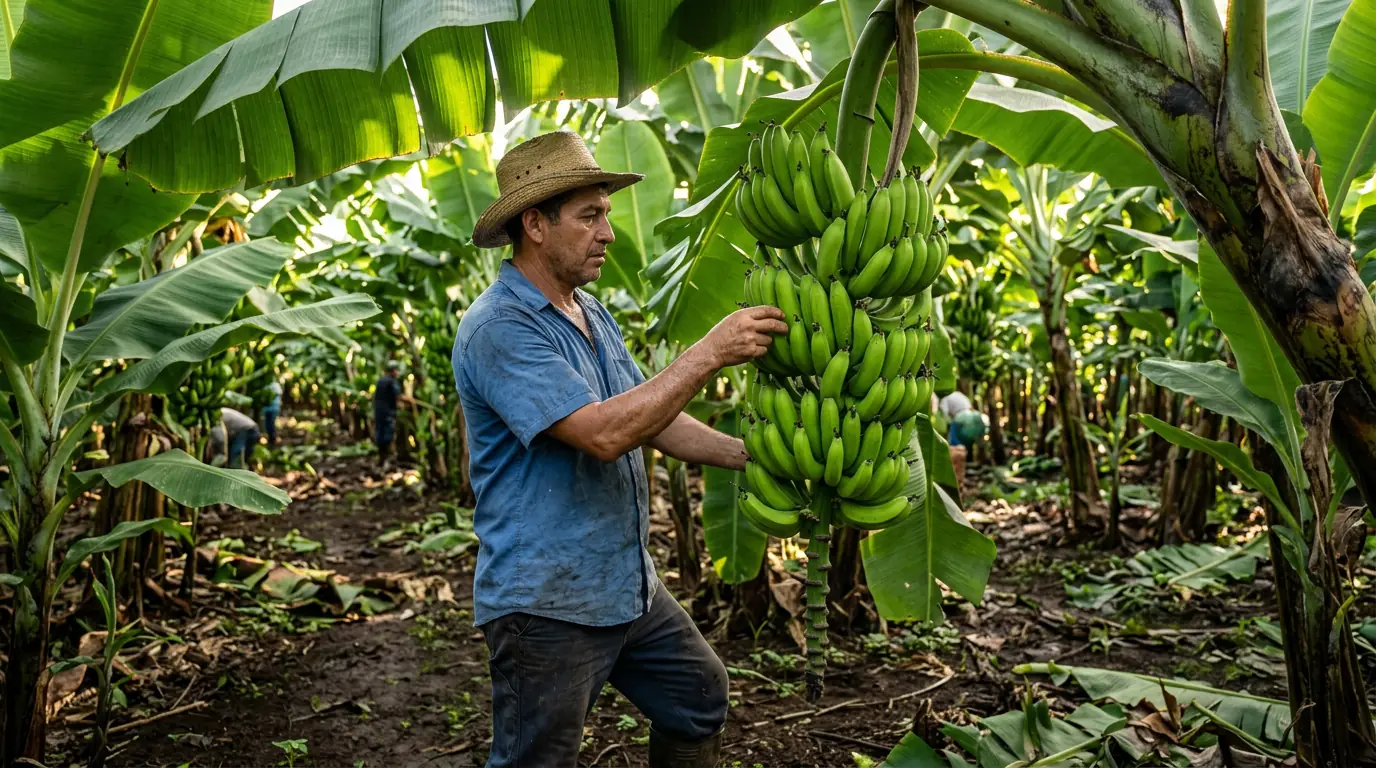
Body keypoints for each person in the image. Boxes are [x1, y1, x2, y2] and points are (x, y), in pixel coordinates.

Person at [452, 130, 786, 768]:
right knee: (537, 760)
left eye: (607, 213)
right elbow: (604, 433)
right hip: (546, 601)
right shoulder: (500, 329)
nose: (607, 231)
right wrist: (709, 353)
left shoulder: (588, 311)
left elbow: (650, 417)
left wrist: (754, 455)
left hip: (624, 586)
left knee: (697, 697)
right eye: (589, 216)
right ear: (535, 224)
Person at [373, 360, 405, 466]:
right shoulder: (392, 381)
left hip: (379, 412)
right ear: (392, 371)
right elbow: (398, 396)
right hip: (388, 413)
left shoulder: (380, 381)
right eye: (396, 370)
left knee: (380, 433)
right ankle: (389, 458)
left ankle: (381, 458)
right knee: (388, 434)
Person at [261, 378, 283, 446]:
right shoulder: (266, 385)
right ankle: (271, 439)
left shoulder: (274, 385)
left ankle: (272, 439)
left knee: (271, 423)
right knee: (268, 424)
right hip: (268, 408)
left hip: (273, 407)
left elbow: (279, 395)